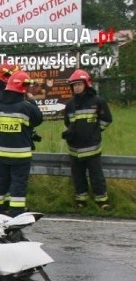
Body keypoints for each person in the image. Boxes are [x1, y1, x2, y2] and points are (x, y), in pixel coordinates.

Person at [0, 71, 44, 217]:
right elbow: (38, 119)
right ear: (22, 89)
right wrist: (31, 100)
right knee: (18, 184)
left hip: (1, 154)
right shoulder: (26, 107)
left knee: (0, 183)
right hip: (21, 156)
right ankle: (16, 212)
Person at [62, 69, 113, 211]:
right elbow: (68, 122)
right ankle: (81, 201)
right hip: (74, 149)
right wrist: (70, 133)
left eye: (79, 84)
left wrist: (96, 132)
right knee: (78, 177)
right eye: (74, 85)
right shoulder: (70, 104)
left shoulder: (97, 101)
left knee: (96, 176)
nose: (76, 87)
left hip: (92, 147)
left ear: (86, 84)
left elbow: (107, 119)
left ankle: (102, 201)